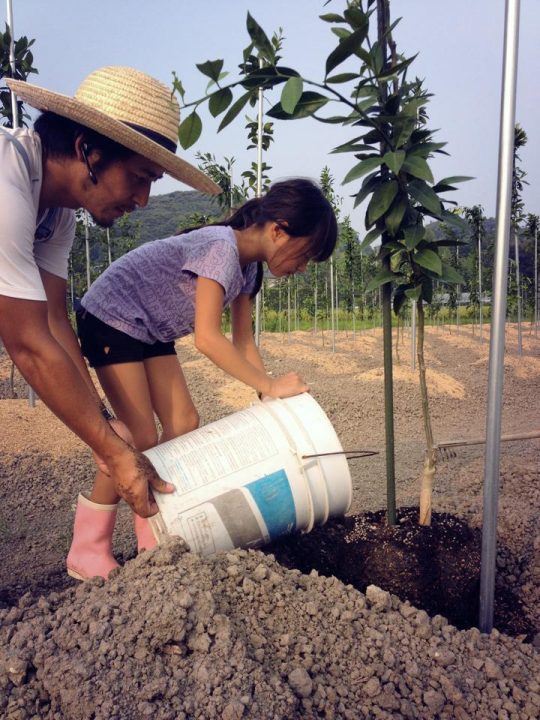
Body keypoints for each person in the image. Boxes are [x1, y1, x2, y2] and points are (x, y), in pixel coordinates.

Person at [70, 178, 337, 579]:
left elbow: (244, 343)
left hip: (148, 330)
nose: (302, 268)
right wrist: (269, 385)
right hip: (112, 317)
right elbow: (209, 339)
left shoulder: (249, 273)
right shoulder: (221, 249)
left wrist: (270, 395)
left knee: (183, 423)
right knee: (137, 435)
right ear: (279, 230)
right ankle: (87, 548)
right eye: (305, 256)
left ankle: (155, 529)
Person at [0, 67, 220, 543]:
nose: (143, 199)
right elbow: (28, 344)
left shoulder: (56, 212)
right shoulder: (7, 184)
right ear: (87, 150)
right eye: (140, 178)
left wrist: (103, 422)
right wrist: (114, 451)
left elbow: (56, 324)